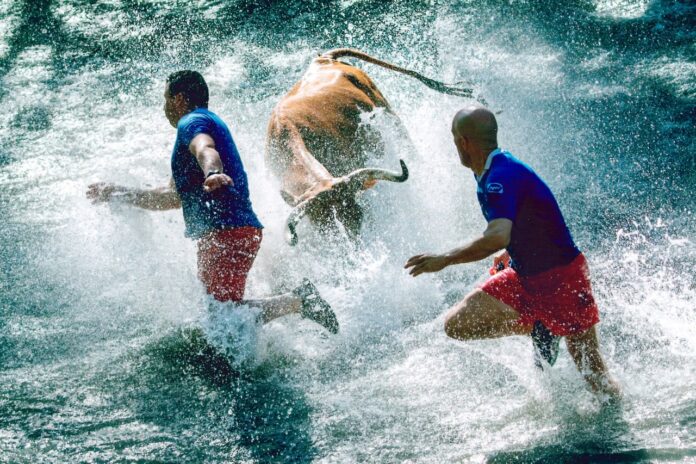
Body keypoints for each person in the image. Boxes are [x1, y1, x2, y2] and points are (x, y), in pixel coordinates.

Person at [87, 70, 338, 334]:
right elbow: (171, 197)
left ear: (179, 99)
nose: (164, 108)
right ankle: (296, 303)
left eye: (165, 99)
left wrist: (213, 173)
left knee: (222, 319)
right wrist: (119, 193)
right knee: (220, 315)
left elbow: (205, 149)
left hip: (227, 232)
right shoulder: (200, 126)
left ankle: (299, 300)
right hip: (224, 233)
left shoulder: (192, 122)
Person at [404, 106, 620, 398]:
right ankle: (540, 325)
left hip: (563, 281)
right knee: (458, 324)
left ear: (464, 142)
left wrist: (445, 259)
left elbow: (496, 235)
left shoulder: (500, 177)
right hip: (525, 276)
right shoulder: (491, 169)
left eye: (454, 138)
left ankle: (620, 428)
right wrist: (511, 248)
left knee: (596, 378)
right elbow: (528, 217)